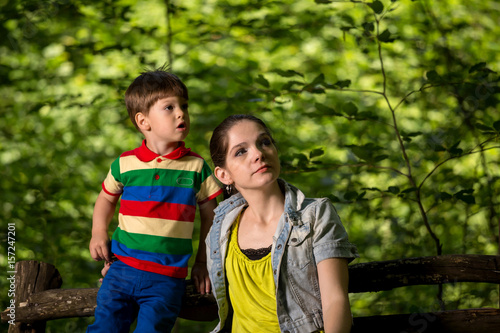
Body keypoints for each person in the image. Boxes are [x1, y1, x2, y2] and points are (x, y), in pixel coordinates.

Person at [87, 66, 222, 333]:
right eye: (169, 107)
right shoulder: (125, 164)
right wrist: (98, 231)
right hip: (121, 269)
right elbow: (105, 198)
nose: (181, 112)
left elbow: (212, 216)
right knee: (105, 327)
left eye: (183, 105)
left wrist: (203, 263)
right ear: (143, 121)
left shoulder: (196, 167)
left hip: (167, 278)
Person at [206, 114, 359, 333]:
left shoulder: (314, 215)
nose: (259, 153)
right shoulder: (221, 229)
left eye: (265, 142)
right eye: (241, 151)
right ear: (224, 175)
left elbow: (335, 300)